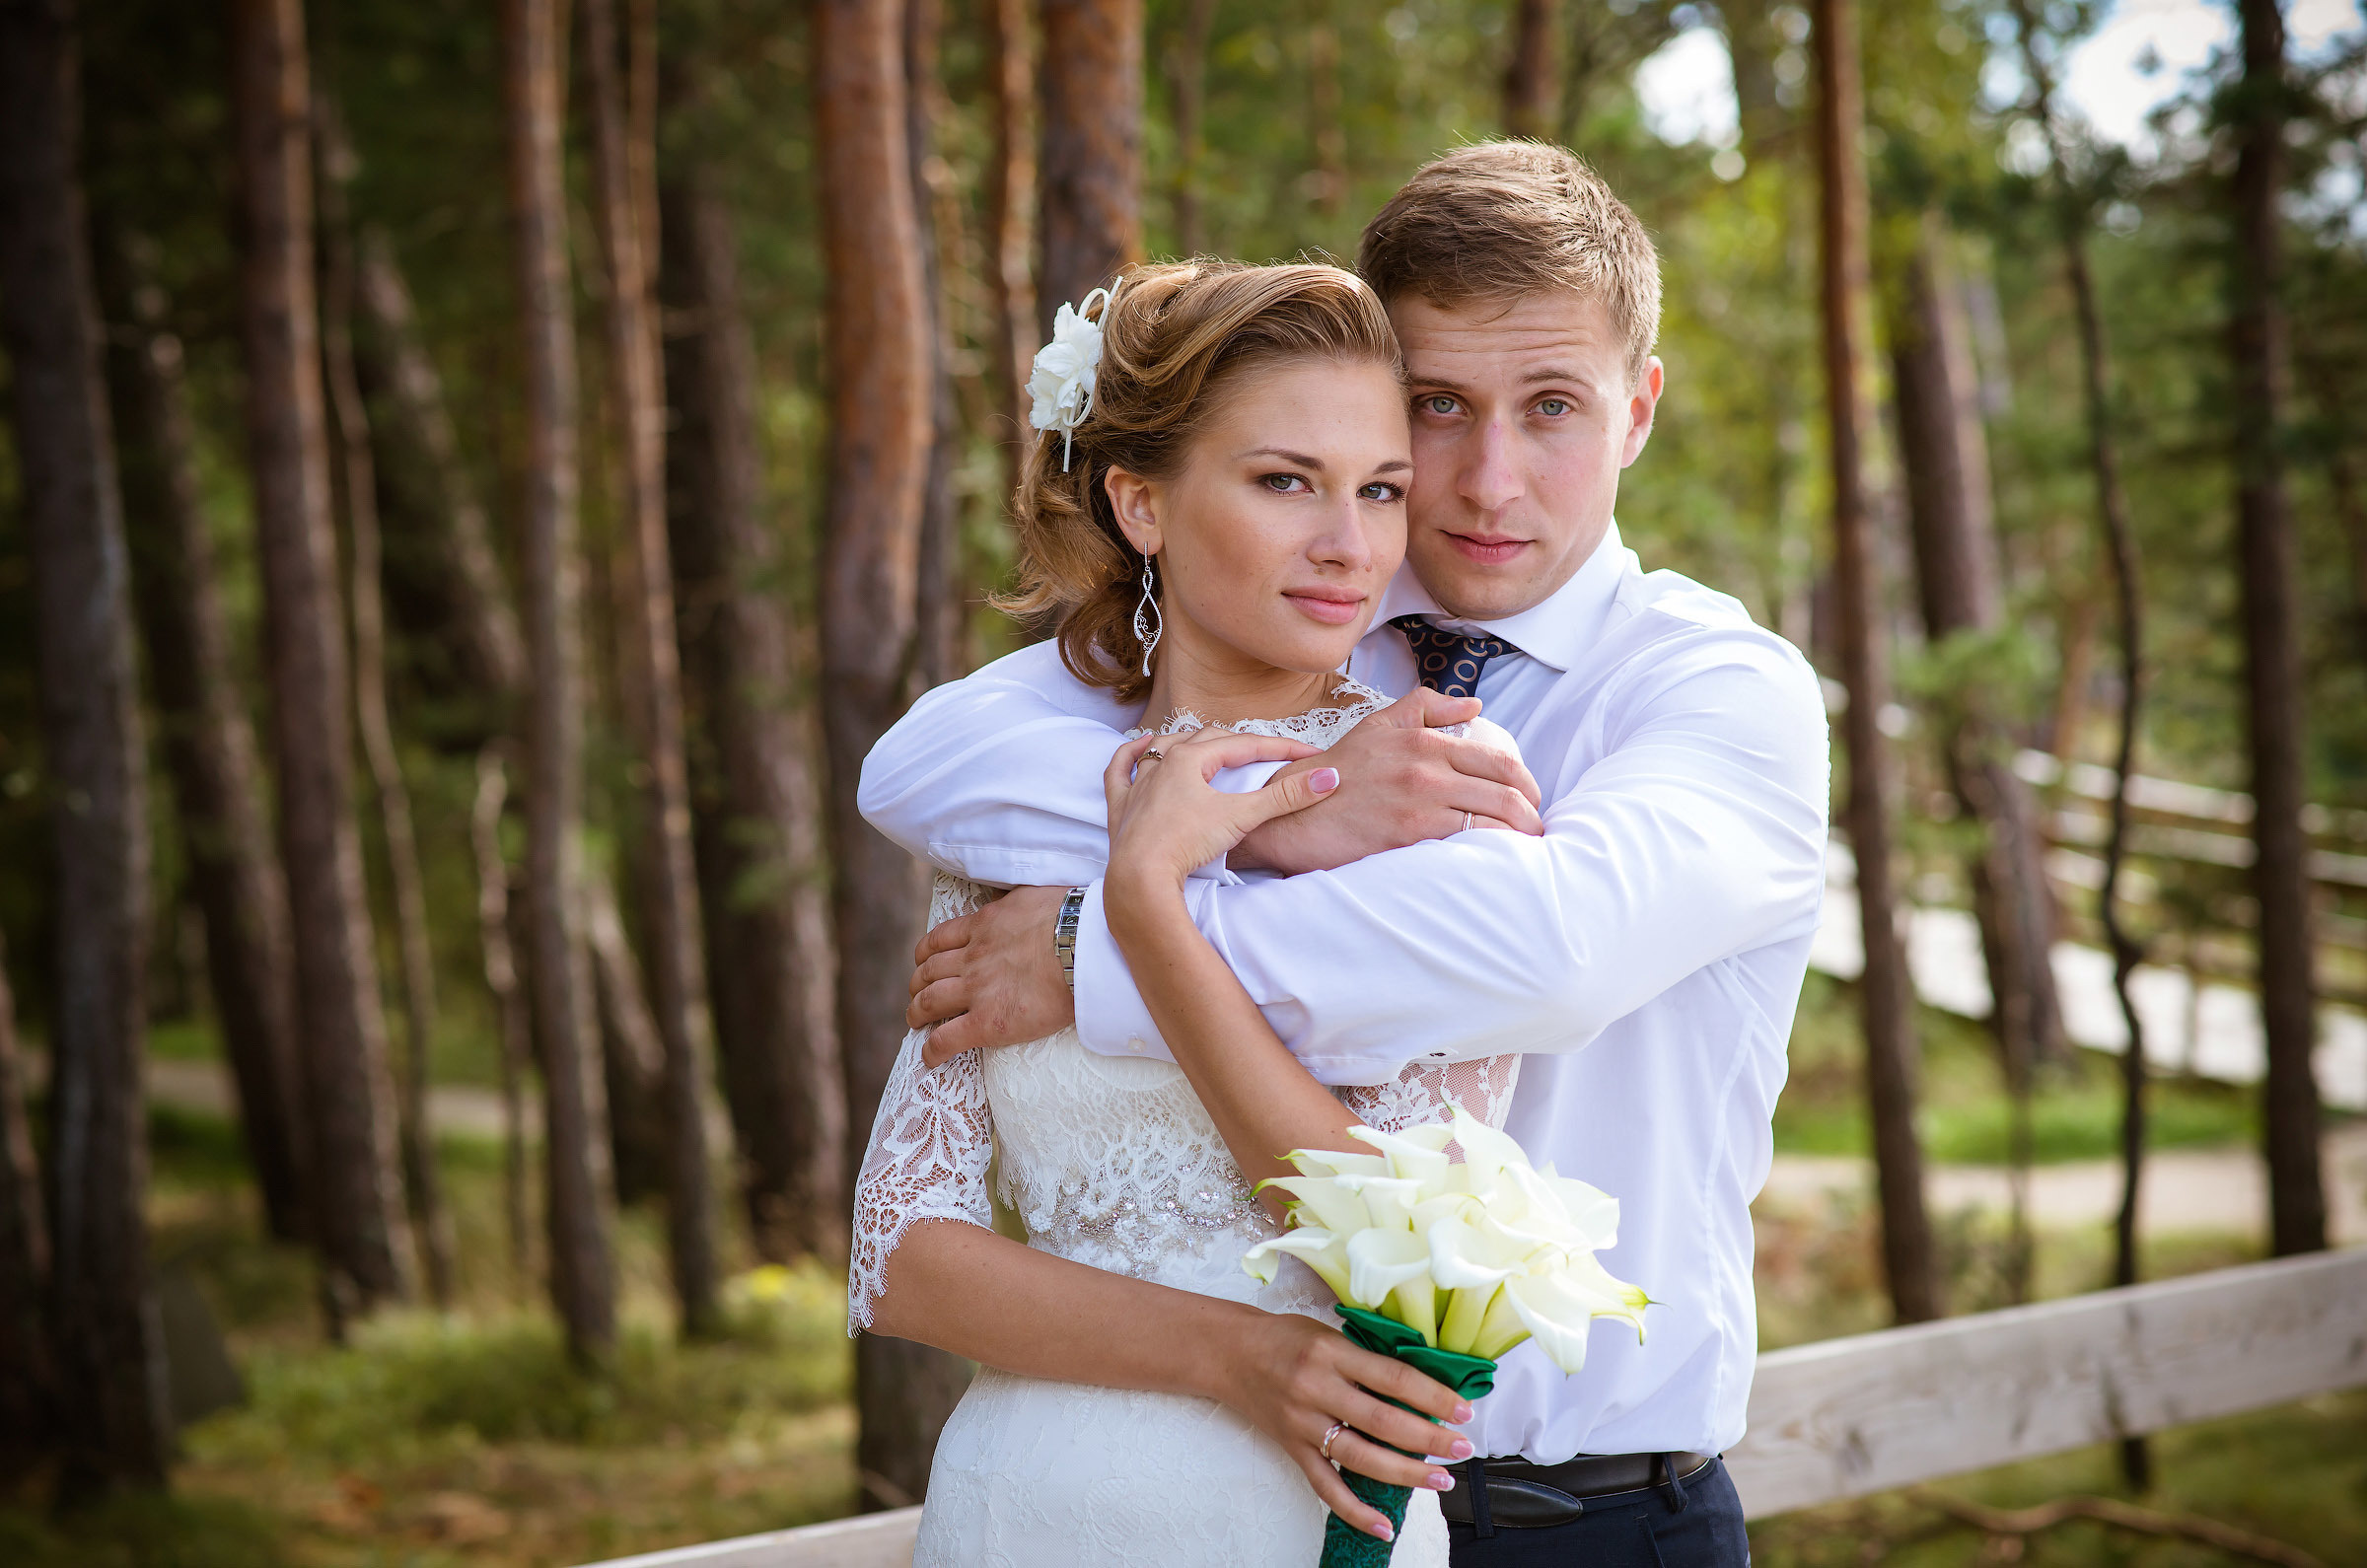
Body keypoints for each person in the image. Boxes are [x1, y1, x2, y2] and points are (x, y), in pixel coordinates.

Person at [864, 142, 1831, 1567]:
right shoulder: (1295, 623)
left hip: (1596, 1504)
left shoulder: (1713, 685)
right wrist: (1288, 800)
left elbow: (1542, 954)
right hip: (1128, 1480)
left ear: (1639, 409)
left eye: (1551, 406)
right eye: (1437, 408)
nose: (1486, 479)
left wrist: (1112, 938)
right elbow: (926, 764)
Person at [849, 257, 1545, 1566]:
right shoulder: (1023, 807)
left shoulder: (1437, 786)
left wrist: (1144, 908)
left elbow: (1409, 1266)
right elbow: (903, 1253)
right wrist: (1238, 1357)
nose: (1350, 543)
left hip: (1301, 1516)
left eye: (1380, 489)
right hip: (1026, 1510)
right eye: (1286, 481)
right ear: (1142, 501)